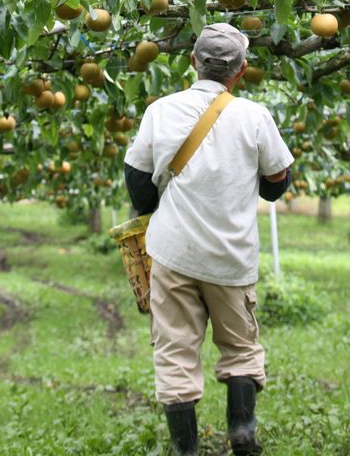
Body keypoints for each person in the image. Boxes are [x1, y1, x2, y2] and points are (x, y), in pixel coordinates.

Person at [124, 23, 294, 456]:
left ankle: (186, 450)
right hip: (231, 259)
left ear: (193, 63)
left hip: (173, 252)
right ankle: (242, 435)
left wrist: (153, 212)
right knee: (239, 347)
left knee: (175, 351)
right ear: (241, 71)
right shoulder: (255, 116)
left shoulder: (160, 110)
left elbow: (137, 177)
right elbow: (276, 181)